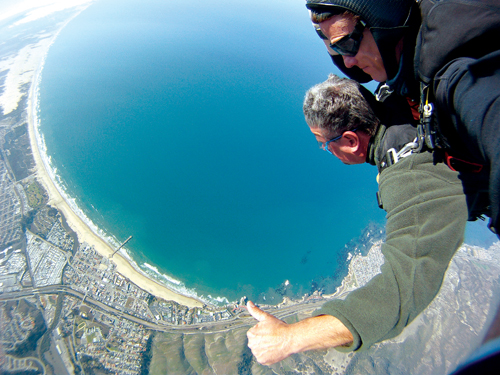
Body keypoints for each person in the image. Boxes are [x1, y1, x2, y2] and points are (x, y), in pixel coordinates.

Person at [247, 74, 470, 365]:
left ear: (351, 141)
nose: (326, 151)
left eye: (324, 144)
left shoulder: (411, 177)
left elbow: (403, 291)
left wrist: (289, 338)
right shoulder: (394, 94)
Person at [304, 0, 500, 236]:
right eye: (337, 51)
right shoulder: (405, 81)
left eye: (347, 44)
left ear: (381, 20)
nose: (348, 62)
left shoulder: (456, 75)